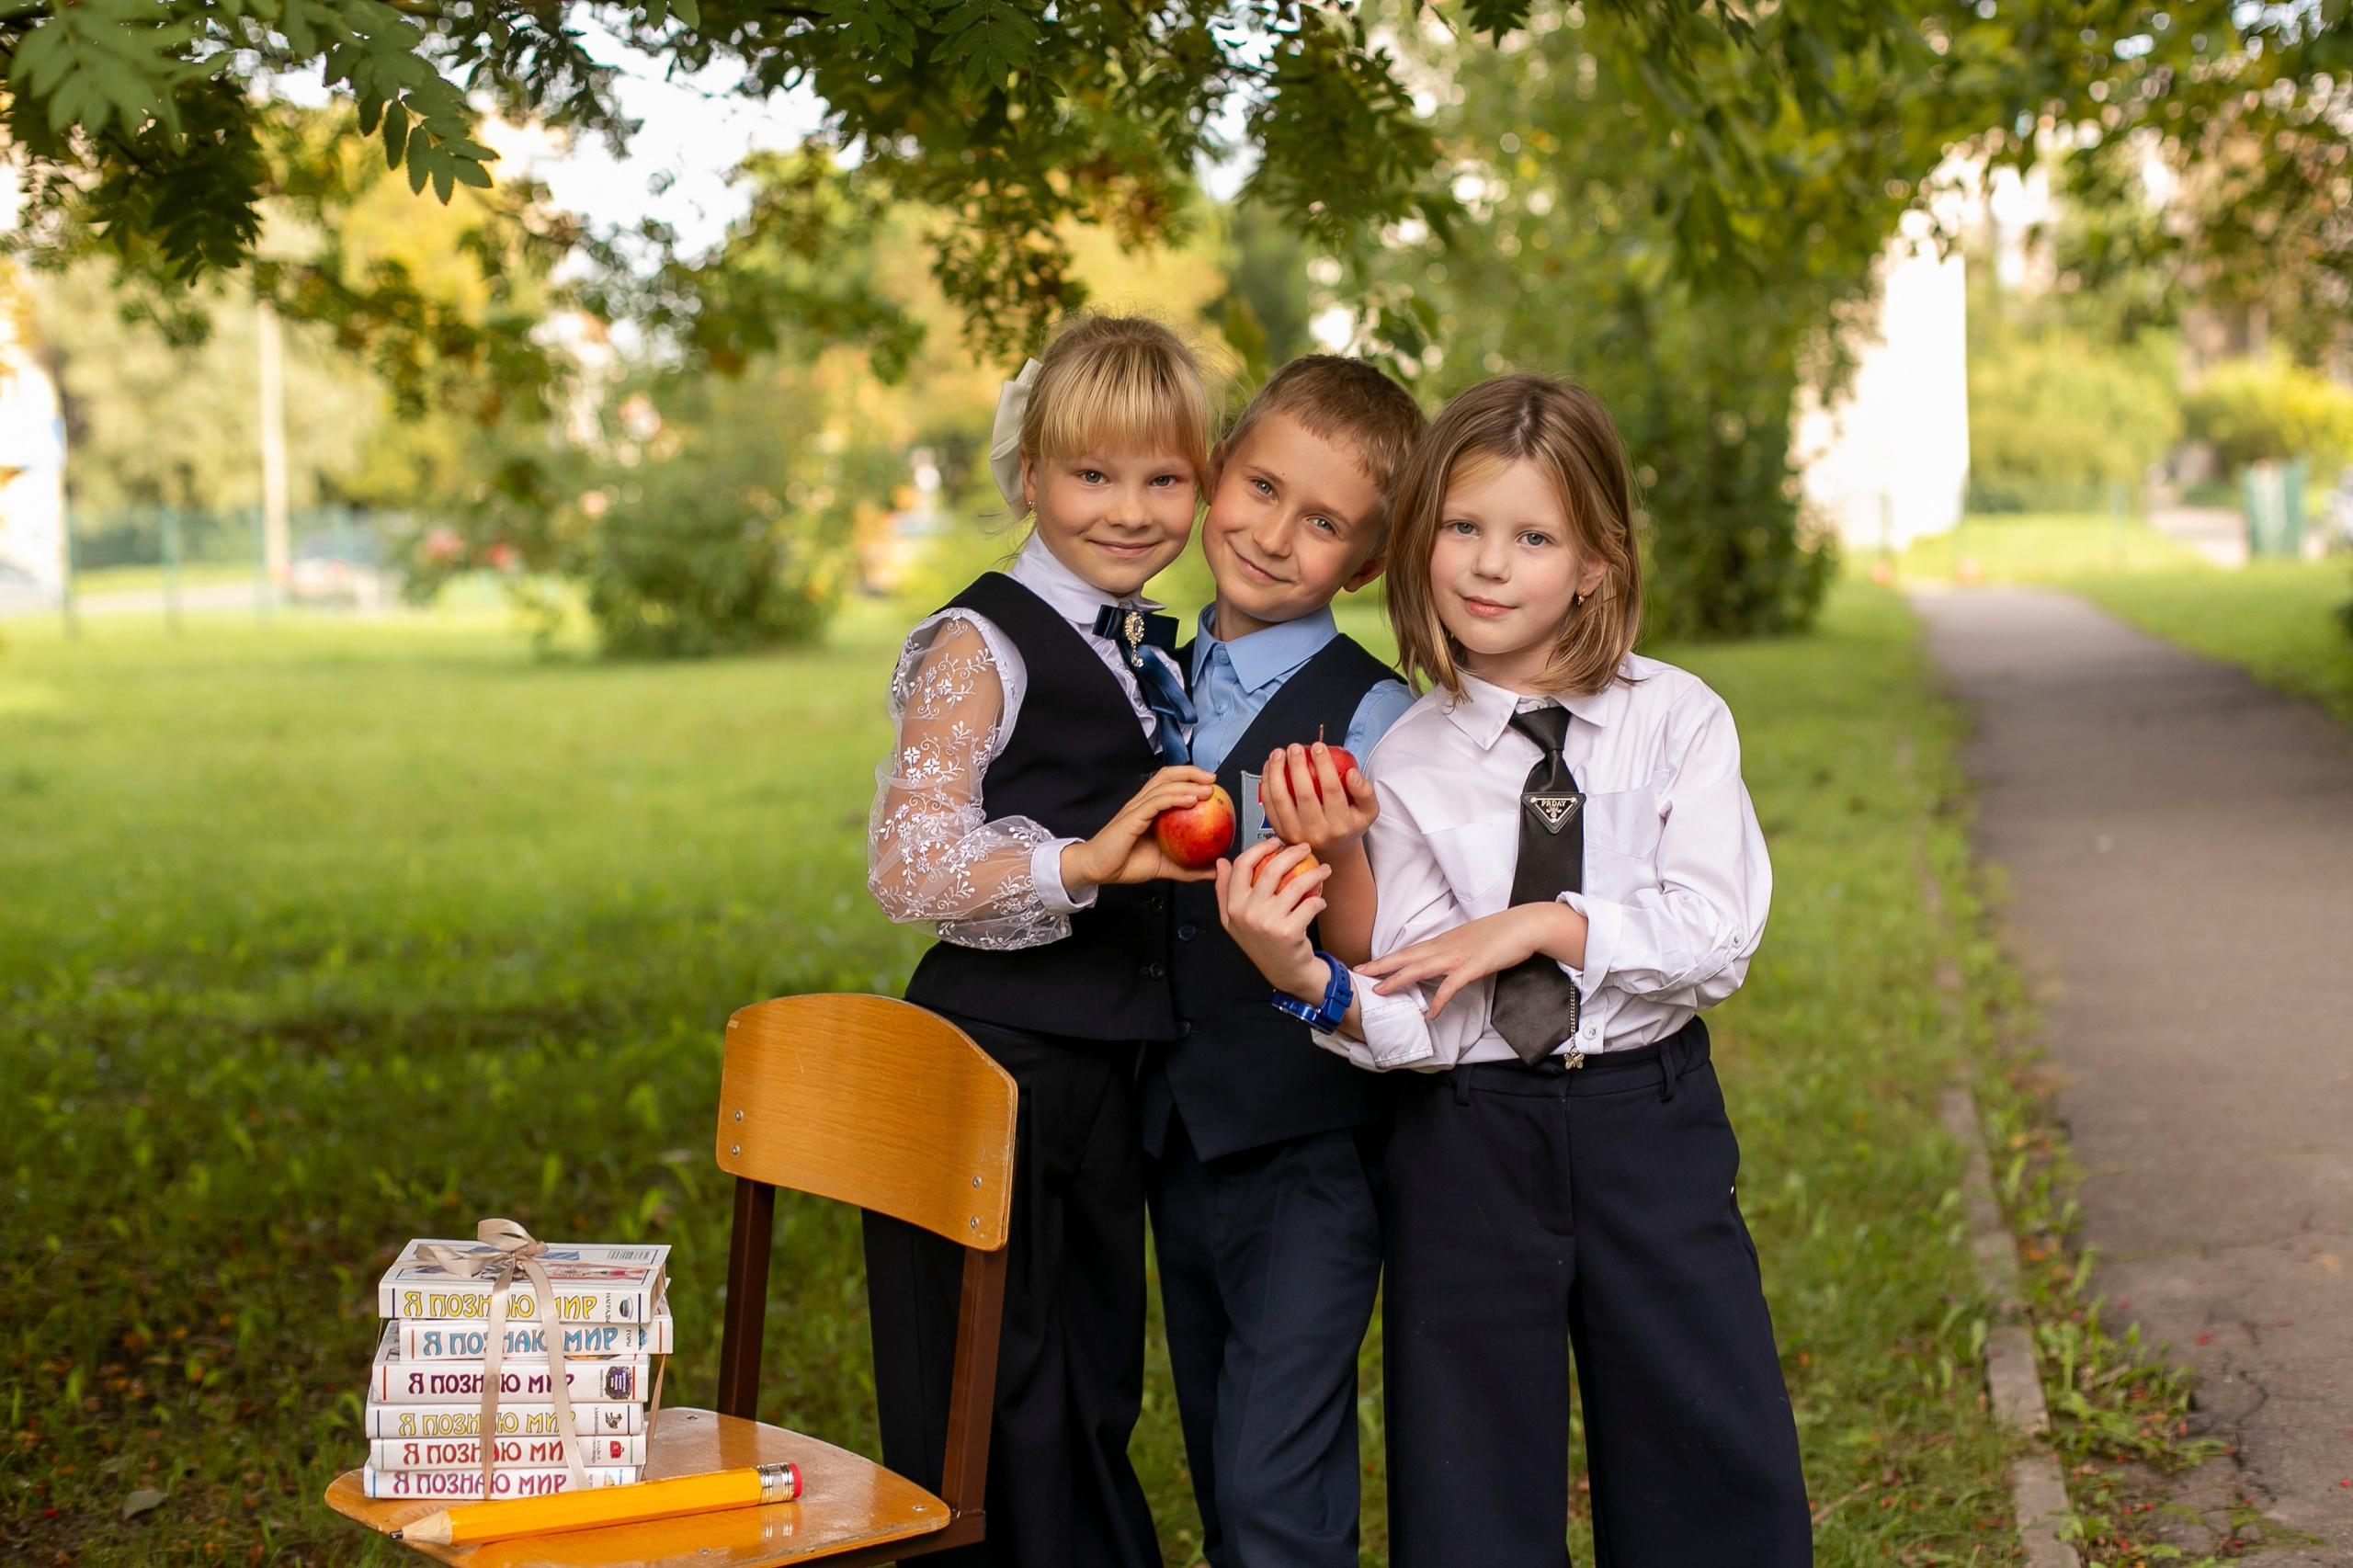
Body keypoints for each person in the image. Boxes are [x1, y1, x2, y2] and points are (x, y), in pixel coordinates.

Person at [1219, 374, 1812, 1567]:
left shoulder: (1677, 720)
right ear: (1422, 537)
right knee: (1468, 1482)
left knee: (1710, 1453)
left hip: (1650, 1123)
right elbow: (1415, 1005)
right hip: (1467, 1139)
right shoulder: (1406, 751)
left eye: (1533, 537)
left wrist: (1541, 923)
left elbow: (1716, 931)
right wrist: (1308, 970)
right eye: (1464, 527)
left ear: (1595, 561)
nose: (1491, 565)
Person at [863, 313, 1222, 1568]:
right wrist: (1078, 860)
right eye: (1093, 474)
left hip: (1102, 1070)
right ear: (1030, 474)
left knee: (1090, 1376)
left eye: (1164, 477)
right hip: (987, 1058)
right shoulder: (981, 641)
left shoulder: (1148, 648)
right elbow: (906, 865)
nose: (1130, 509)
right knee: (986, 1395)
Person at [1142, 356, 1425, 1568]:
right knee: (1220, 1448)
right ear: (1217, 474)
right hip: (1172, 1132)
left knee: (1274, 1485)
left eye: (1321, 523)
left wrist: (1342, 849)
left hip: (1310, 1141)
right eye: (1260, 488)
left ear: (1360, 563)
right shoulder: (1148, 675)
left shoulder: (1371, 716)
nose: (1271, 534)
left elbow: (1382, 955)